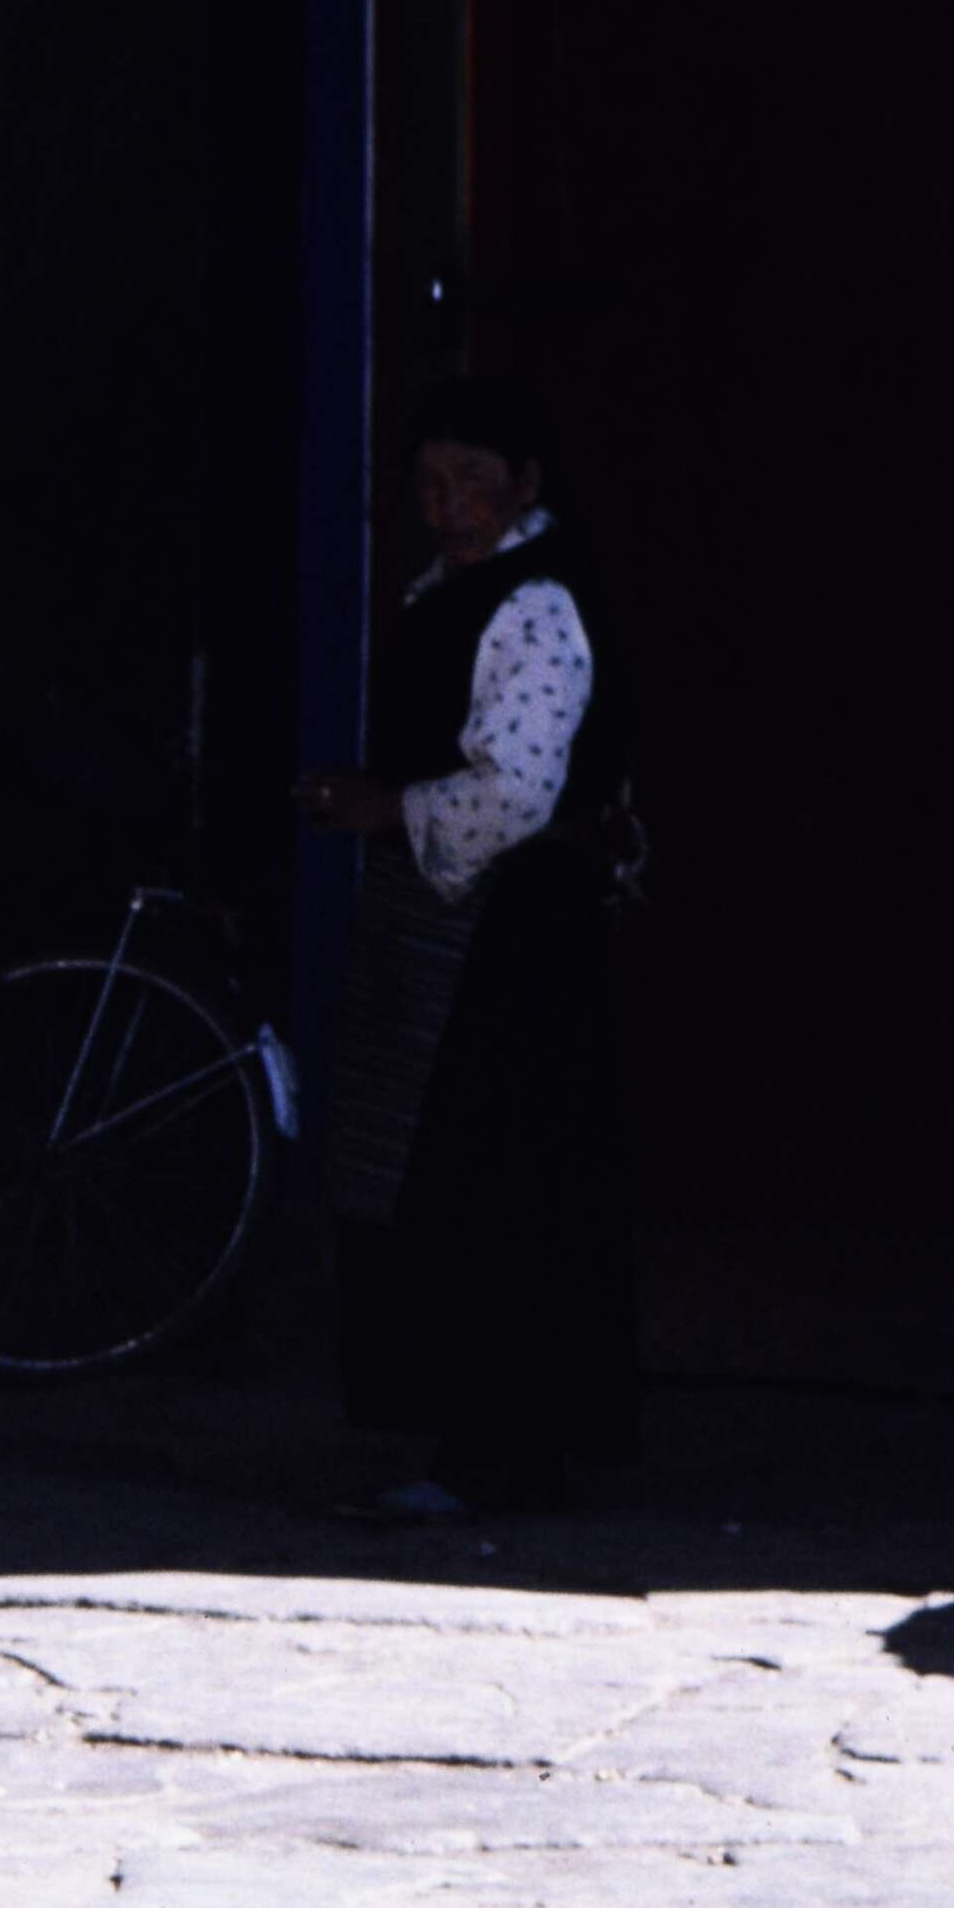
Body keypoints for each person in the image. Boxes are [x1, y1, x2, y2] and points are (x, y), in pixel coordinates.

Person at [289, 374, 640, 1525]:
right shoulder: (448, 593)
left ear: (525, 485)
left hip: (511, 936)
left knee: (497, 1185)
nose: (447, 505)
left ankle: (507, 1450)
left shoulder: (535, 605)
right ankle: (475, 1440)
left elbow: (519, 791)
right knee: (447, 1181)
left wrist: (383, 808)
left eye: (472, 482)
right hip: (458, 925)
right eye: (430, 483)